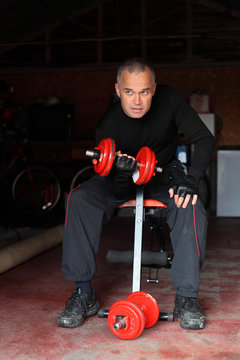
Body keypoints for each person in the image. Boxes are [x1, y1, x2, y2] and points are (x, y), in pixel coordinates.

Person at [58, 58, 215, 331]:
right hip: (117, 179)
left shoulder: (170, 100)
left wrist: (191, 181)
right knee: (80, 199)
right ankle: (84, 293)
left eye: (144, 91)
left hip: (163, 173)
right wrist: (121, 174)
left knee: (190, 206)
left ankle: (187, 298)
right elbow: (116, 187)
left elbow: (204, 138)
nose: (137, 100)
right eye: (129, 92)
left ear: (154, 88)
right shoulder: (108, 125)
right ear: (117, 90)